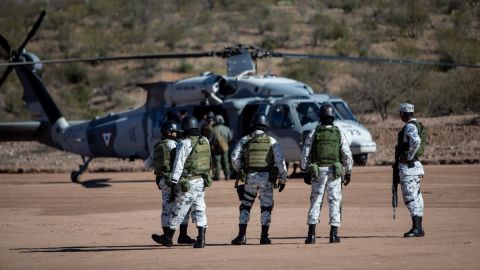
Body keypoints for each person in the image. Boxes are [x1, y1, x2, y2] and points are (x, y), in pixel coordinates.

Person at [230, 113, 288, 245]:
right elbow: (280, 163)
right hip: (267, 179)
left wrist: (241, 171)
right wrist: (283, 179)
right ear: (265, 125)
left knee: (245, 205)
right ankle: (264, 237)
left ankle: (241, 236)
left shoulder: (245, 140)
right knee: (266, 207)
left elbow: (234, 158)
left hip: (250, 178)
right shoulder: (272, 141)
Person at [300, 103, 353, 244]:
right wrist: (348, 172)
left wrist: (304, 170)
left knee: (316, 201)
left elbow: (305, 152)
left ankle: (311, 235)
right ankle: (333, 235)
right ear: (333, 117)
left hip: (318, 171)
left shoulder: (314, 132)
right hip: (334, 172)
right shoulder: (338, 133)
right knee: (335, 201)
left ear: (321, 117)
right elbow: (347, 154)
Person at [156, 116, 212, 248]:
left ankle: (167, 237)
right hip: (202, 180)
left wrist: (174, 182)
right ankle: (201, 239)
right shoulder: (205, 140)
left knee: (178, 209)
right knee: (200, 209)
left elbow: (179, 164)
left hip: (189, 181)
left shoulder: (185, 143)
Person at [147, 121, 195, 245]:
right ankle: (182, 236)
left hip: (163, 180)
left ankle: (167, 236)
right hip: (177, 180)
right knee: (182, 207)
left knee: (166, 208)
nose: (176, 133)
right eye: (174, 131)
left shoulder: (158, 145)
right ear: (169, 132)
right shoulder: (176, 145)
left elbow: (147, 164)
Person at [395, 103, 426, 237]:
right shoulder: (418, 125)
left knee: (410, 197)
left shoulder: (410, 126)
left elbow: (416, 141)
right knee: (417, 196)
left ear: (403, 113)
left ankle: (417, 228)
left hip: (409, 167)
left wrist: (408, 157)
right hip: (415, 166)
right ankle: (418, 227)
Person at [212, 115, 233, 180]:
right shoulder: (227, 128)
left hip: (217, 147)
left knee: (218, 161)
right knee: (226, 161)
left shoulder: (214, 129)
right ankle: (227, 175)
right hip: (225, 146)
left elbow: (211, 139)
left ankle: (217, 176)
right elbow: (231, 137)